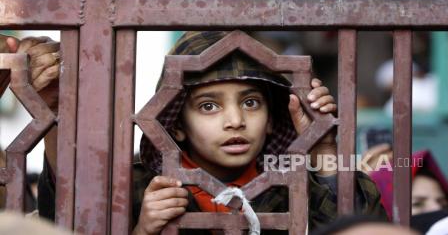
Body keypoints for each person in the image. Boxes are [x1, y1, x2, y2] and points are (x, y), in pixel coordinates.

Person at [1, 31, 386, 234]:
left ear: (272, 119)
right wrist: (143, 229)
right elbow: (65, 219)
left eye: (250, 102)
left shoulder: (295, 188)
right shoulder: (137, 187)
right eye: (209, 106)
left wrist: (323, 148)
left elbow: (361, 227)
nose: (234, 120)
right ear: (177, 126)